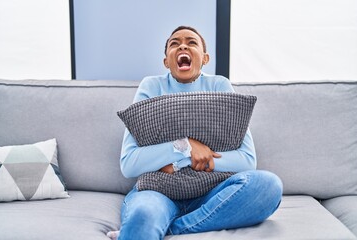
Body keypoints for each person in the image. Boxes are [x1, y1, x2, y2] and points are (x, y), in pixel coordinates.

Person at [108, 26, 283, 240]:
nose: (183, 45)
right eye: (175, 43)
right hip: (158, 192)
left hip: (214, 194)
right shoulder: (151, 87)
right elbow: (130, 163)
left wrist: (179, 161)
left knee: (267, 185)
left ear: (205, 58)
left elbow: (246, 161)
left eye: (191, 42)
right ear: (166, 61)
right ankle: (157, 224)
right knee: (144, 215)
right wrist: (186, 146)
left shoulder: (220, 85)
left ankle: (171, 228)